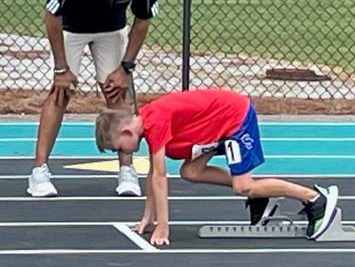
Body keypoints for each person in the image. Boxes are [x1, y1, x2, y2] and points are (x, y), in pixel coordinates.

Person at [94, 89, 339, 246]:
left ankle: (316, 198)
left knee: (243, 186)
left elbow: (159, 176)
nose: (122, 153)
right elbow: (152, 173)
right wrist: (147, 217)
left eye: (119, 148)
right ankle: (262, 197)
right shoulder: (147, 121)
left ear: (126, 131)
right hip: (218, 126)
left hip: (235, 120)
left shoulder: (154, 122)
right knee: (190, 172)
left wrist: (163, 227)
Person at [27, 0, 158, 198]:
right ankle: (39, 171)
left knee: (118, 93)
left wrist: (125, 67)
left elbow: (143, 19)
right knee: (60, 93)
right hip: (71, 28)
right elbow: (52, 15)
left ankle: (126, 170)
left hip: (111, 29)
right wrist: (61, 68)